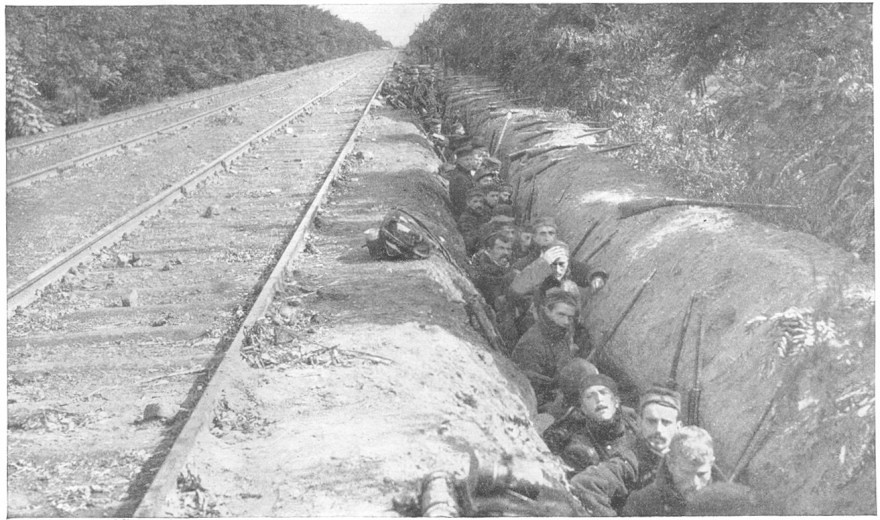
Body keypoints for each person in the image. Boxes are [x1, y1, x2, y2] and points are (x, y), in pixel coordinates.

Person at [569, 385, 684, 515]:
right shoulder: (630, 461)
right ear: (639, 423)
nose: (658, 430)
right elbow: (583, 484)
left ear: (678, 427)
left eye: (666, 423)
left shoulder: (687, 456)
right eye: (651, 422)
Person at [542, 373, 639, 475]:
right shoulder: (580, 448)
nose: (598, 399)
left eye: (603, 393)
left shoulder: (635, 428)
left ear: (616, 401)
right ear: (583, 409)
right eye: (589, 396)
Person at [622, 426, 716, 516]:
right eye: (686, 473)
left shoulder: (723, 502)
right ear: (670, 464)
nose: (695, 483)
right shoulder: (641, 504)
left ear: (711, 464)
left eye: (701, 474)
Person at [510, 288, 581, 407]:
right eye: (561, 314)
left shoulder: (560, 334)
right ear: (547, 311)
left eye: (569, 317)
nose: (566, 321)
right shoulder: (531, 344)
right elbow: (528, 389)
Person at [448, 147, 482, 217]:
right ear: (458, 161)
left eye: (471, 159)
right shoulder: (459, 177)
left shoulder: (466, 173)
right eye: (466, 159)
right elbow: (461, 202)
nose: (469, 162)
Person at [458, 188, 491, 255]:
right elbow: (469, 242)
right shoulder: (465, 219)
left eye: (481, 202)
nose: (479, 205)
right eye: (475, 202)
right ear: (468, 203)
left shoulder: (485, 215)